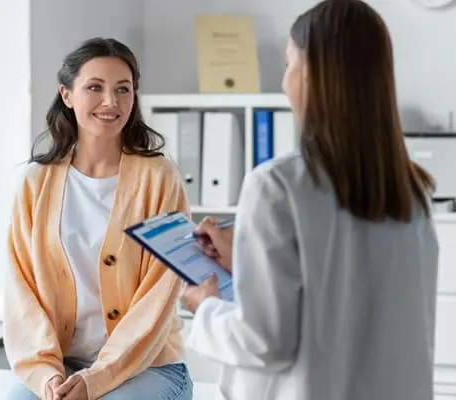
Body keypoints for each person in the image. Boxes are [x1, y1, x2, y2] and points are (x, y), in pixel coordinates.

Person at [179, 1, 440, 399]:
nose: (285, 82)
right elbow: (349, 293)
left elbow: (264, 342)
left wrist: (206, 307)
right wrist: (245, 264)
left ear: (313, 73)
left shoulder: (277, 185)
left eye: (289, 65)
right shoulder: (410, 192)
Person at [4, 37, 194, 400]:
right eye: (95, 87)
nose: (111, 102)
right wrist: (46, 377)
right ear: (67, 95)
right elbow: (21, 293)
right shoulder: (34, 182)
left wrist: (96, 380)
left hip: (149, 366)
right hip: (61, 366)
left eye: (123, 89)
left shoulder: (160, 177)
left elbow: (161, 294)